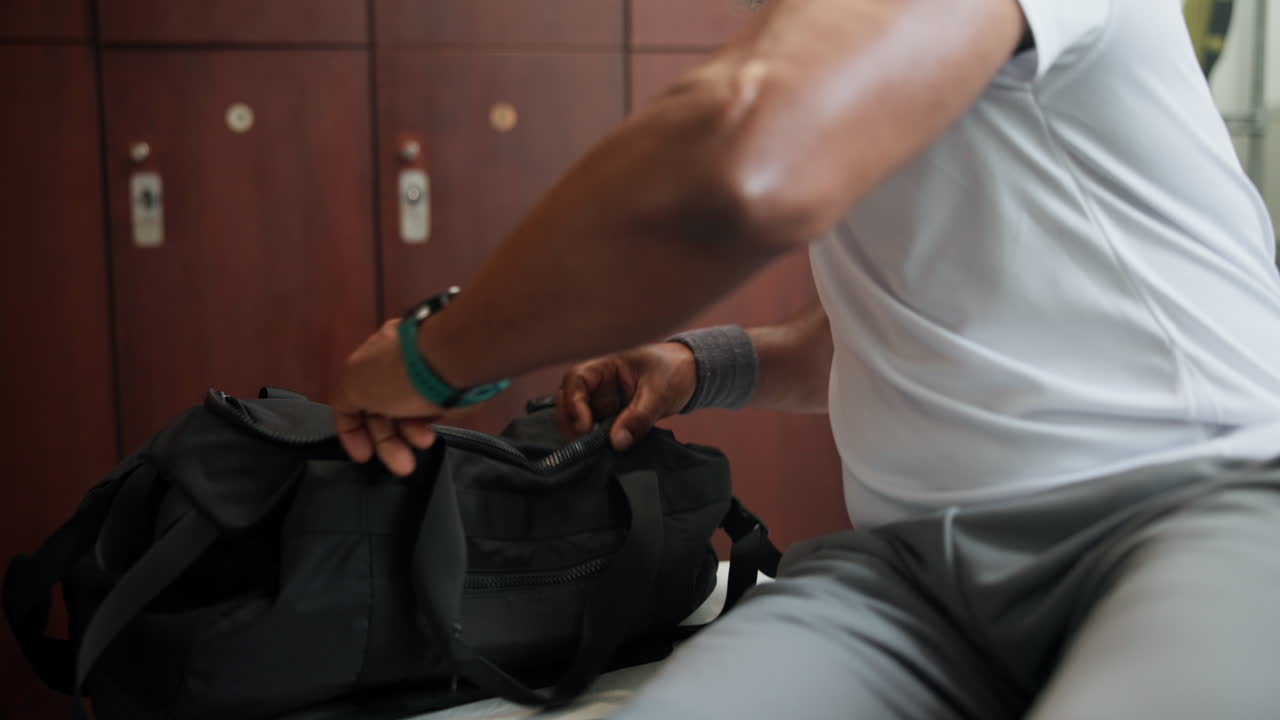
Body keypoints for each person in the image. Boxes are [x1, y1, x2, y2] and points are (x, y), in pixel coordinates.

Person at [332, 0, 1280, 717]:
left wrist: (429, 355)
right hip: (912, 583)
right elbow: (878, 341)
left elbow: (742, 158)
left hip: (1194, 506)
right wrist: (695, 366)